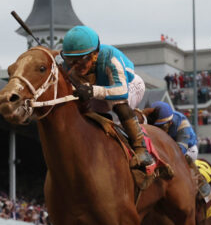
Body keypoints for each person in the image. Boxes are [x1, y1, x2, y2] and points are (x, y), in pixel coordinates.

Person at [60, 26, 154, 168]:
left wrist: (91, 91)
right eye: (71, 60)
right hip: (102, 93)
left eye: (81, 59)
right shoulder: (70, 65)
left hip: (130, 86)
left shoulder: (111, 57)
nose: (76, 65)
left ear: (95, 54)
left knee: (118, 103)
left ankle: (141, 148)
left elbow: (121, 90)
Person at [145, 101, 211, 197]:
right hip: (167, 146)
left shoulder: (182, 122)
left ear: (170, 123)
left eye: (161, 127)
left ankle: (201, 181)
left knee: (184, 157)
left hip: (188, 148)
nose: (157, 130)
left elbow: (180, 150)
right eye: (155, 127)